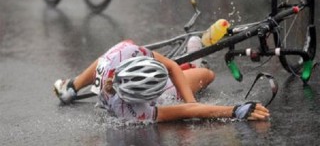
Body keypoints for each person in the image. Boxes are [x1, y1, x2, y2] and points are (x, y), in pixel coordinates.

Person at [54, 38, 270, 122]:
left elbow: (171, 66)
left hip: (120, 70)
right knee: (208, 75)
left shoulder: (125, 51)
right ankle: (196, 65)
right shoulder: (131, 112)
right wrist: (234, 110)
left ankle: (72, 86)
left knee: (125, 44)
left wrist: (191, 101)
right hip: (127, 97)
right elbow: (185, 112)